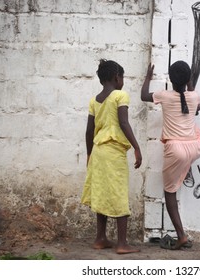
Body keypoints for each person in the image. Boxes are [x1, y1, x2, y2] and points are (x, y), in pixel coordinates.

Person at [141, 61, 200, 250]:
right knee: (194, 130)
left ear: (170, 79)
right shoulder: (194, 97)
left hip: (176, 149)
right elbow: (197, 107)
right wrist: (190, 83)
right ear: (188, 80)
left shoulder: (164, 95)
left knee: (170, 193)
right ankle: (186, 166)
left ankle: (181, 236)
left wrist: (148, 77)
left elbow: (144, 95)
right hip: (196, 147)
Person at [81, 59, 142, 254]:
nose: (122, 81)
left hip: (98, 151)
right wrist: (136, 147)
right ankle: (122, 243)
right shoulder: (120, 95)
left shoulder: (94, 100)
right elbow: (124, 123)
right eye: (122, 77)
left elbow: (89, 131)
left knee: (101, 192)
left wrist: (89, 153)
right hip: (113, 151)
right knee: (118, 192)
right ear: (117, 78)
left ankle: (100, 238)